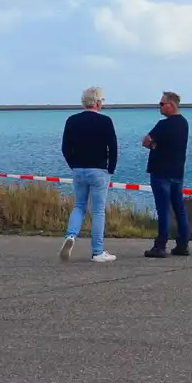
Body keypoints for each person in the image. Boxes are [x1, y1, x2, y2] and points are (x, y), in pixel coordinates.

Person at [59, 86, 118, 263]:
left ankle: (71, 236)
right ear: (98, 102)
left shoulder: (72, 120)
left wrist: (72, 164)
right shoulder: (105, 121)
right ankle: (97, 251)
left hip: (78, 169)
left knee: (79, 206)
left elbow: (65, 147)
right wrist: (111, 168)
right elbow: (113, 147)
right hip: (99, 170)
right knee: (98, 210)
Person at [142, 91, 190, 258]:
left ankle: (160, 245)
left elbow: (146, 140)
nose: (159, 107)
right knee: (179, 208)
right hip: (177, 171)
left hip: (160, 171)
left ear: (171, 105)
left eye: (162, 104)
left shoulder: (163, 125)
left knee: (163, 209)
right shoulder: (184, 123)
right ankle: (183, 243)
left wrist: (155, 146)